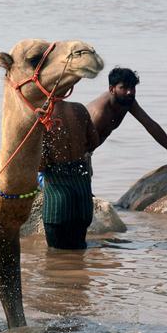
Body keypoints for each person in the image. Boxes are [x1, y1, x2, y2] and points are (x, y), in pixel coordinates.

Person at [86, 67, 167, 164]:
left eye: (132, 87)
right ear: (112, 89)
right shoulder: (100, 113)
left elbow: (150, 125)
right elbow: (79, 144)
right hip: (76, 153)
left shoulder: (127, 102)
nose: (130, 92)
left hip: (86, 154)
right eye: (124, 88)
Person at [38, 101, 100, 249]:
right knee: (79, 251)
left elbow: (40, 164)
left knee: (56, 257)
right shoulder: (80, 109)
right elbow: (94, 141)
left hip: (58, 206)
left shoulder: (43, 115)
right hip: (82, 200)